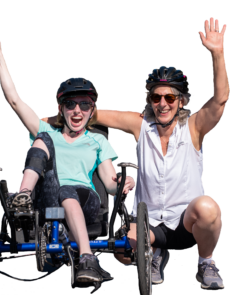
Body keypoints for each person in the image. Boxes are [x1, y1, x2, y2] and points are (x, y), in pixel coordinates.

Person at [43, 17, 228, 290]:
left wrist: (217, 53)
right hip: (147, 222)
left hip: (186, 223)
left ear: (181, 102)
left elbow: (220, 100)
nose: (162, 104)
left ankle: (205, 262)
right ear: (150, 100)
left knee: (209, 207)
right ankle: (153, 255)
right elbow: (88, 115)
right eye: (156, 98)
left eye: (170, 98)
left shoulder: (193, 127)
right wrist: (42, 123)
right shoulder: (141, 125)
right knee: (119, 251)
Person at [0, 36, 136, 284]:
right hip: (47, 198)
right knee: (42, 137)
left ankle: (87, 258)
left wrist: (124, 181)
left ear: (92, 110)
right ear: (61, 108)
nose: (77, 110)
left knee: (68, 188)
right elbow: (15, 101)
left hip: (85, 202)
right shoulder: (49, 134)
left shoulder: (98, 141)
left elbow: (110, 185)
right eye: (70, 104)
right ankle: (22, 196)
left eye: (84, 105)